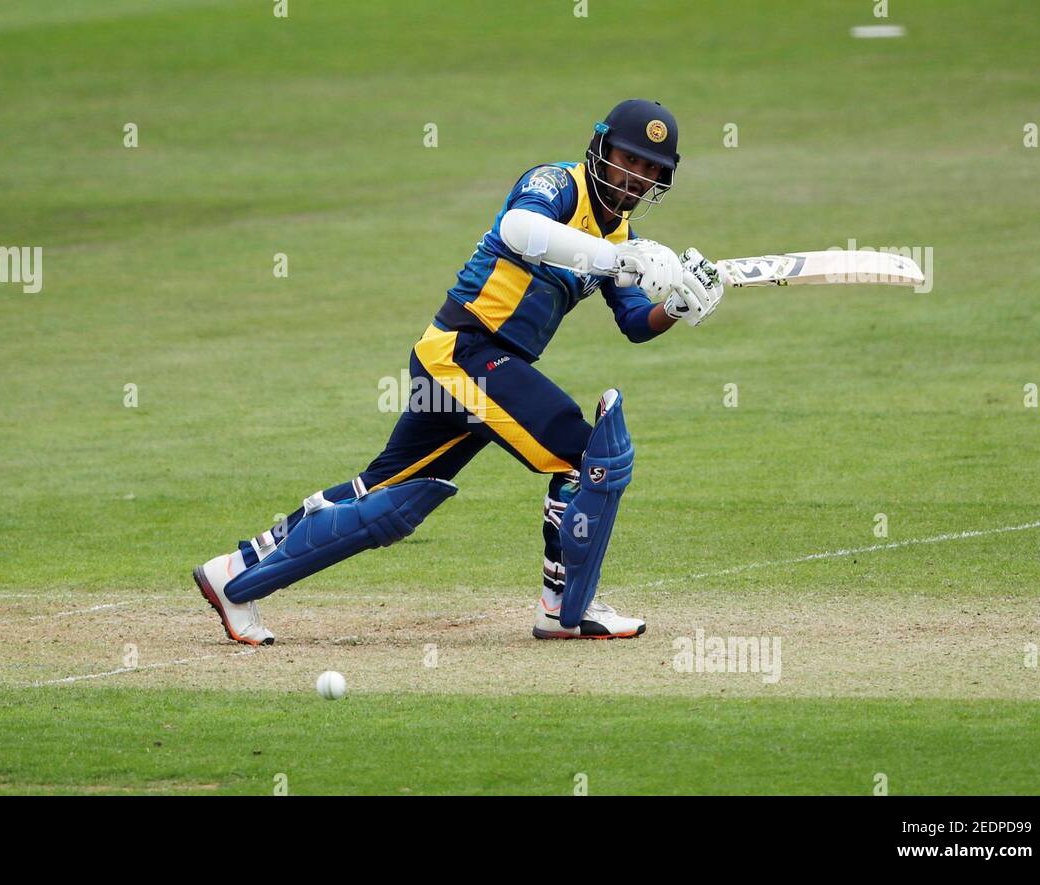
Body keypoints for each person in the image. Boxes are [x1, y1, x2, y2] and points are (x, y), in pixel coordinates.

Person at [194, 98, 724, 646]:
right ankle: (565, 605)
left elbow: (636, 321)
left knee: (384, 497)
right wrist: (618, 259)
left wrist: (678, 306)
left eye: (649, 171)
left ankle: (233, 573)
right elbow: (521, 230)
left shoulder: (622, 237)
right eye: (627, 160)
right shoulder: (555, 184)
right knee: (589, 455)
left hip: (469, 365)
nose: (635, 178)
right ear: (600, 150)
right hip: (464, 349)